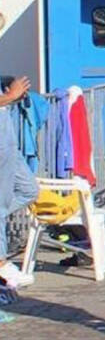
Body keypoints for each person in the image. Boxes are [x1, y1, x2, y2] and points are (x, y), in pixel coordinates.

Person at [0, 77, 38, 289]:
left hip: (8, 144)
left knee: (29, 190)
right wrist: (10, 96)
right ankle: (1, 262)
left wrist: (10, 95)